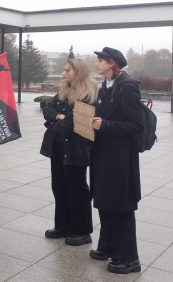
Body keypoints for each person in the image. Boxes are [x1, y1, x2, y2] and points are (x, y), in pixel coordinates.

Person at [89, 47, 144, 274]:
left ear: (112, 63)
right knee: (105, 200)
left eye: (100, 61)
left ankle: (129, 258)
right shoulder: (107, 84)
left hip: (121, 159)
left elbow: (137, 125)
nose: (96, 64)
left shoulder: (127, 87)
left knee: (120, 206)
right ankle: (108, 246)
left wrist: (107, 125)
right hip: (104, 154)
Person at [40, 59, 97, 245]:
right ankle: (62, 226)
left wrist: (57, 121)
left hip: (76, 148)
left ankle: (81, 230)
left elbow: (70, 127)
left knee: (77, 188)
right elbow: (47, 109)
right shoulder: (63, 91)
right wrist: (57, 116)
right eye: (63, 70)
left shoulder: (88, 94)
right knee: (59, 185)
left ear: (78, 72)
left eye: (67, 70)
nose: (63, 73)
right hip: (58, 146)